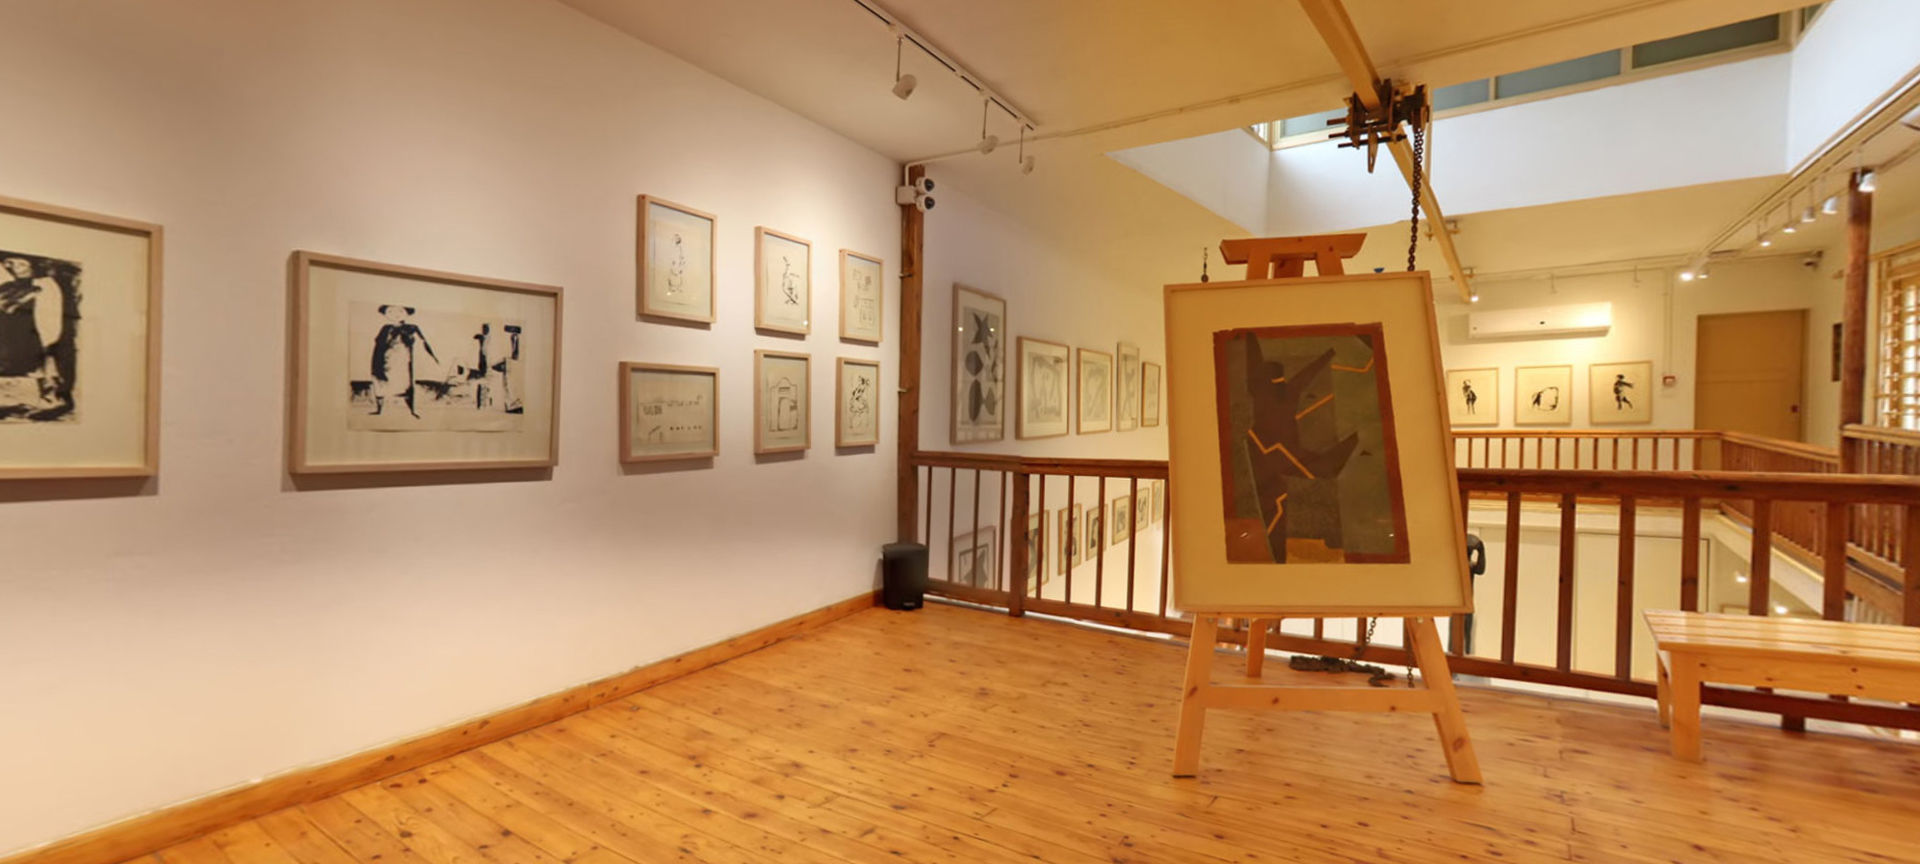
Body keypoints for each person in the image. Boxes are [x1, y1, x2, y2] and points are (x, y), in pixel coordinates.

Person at [0, 254, 66, 419]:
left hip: (37, 335)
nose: (14, 267)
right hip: (14, 336)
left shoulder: (45, 285)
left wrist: (47, 339)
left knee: (44, 365)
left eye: (21, 264)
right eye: (10, 263)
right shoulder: (9, 286)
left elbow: (49, 316)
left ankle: (51, 399)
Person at [369, 305, 437, 419]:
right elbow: (379, 345)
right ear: (385, 314)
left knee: (406, 384)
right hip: (385, 360)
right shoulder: (385, 328)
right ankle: (379, 409)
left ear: (407, 313)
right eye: (390, 311)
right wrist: (377, 363)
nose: (396, 314)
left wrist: (433, 357)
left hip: (403, 361)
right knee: (380, 384)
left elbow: (423, 342)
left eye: (400, 311)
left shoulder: (412, 327)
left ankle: (412, 410)